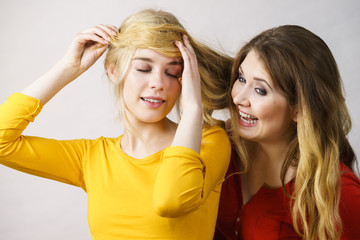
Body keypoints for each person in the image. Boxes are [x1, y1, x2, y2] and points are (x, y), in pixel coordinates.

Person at [0, 9, 232, 239]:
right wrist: (68, 68)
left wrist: (193, 108)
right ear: (113, 70)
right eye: (143, 68)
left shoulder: (208, 142)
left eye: (172, 73)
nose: (158, 83)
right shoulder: (91, 157)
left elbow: (171, 201)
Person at [214, 25, 360, 240]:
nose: (238, 98)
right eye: (242, 79)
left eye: (260, 90)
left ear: (299, 109)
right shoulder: (219, 147)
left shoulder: (341, 194)